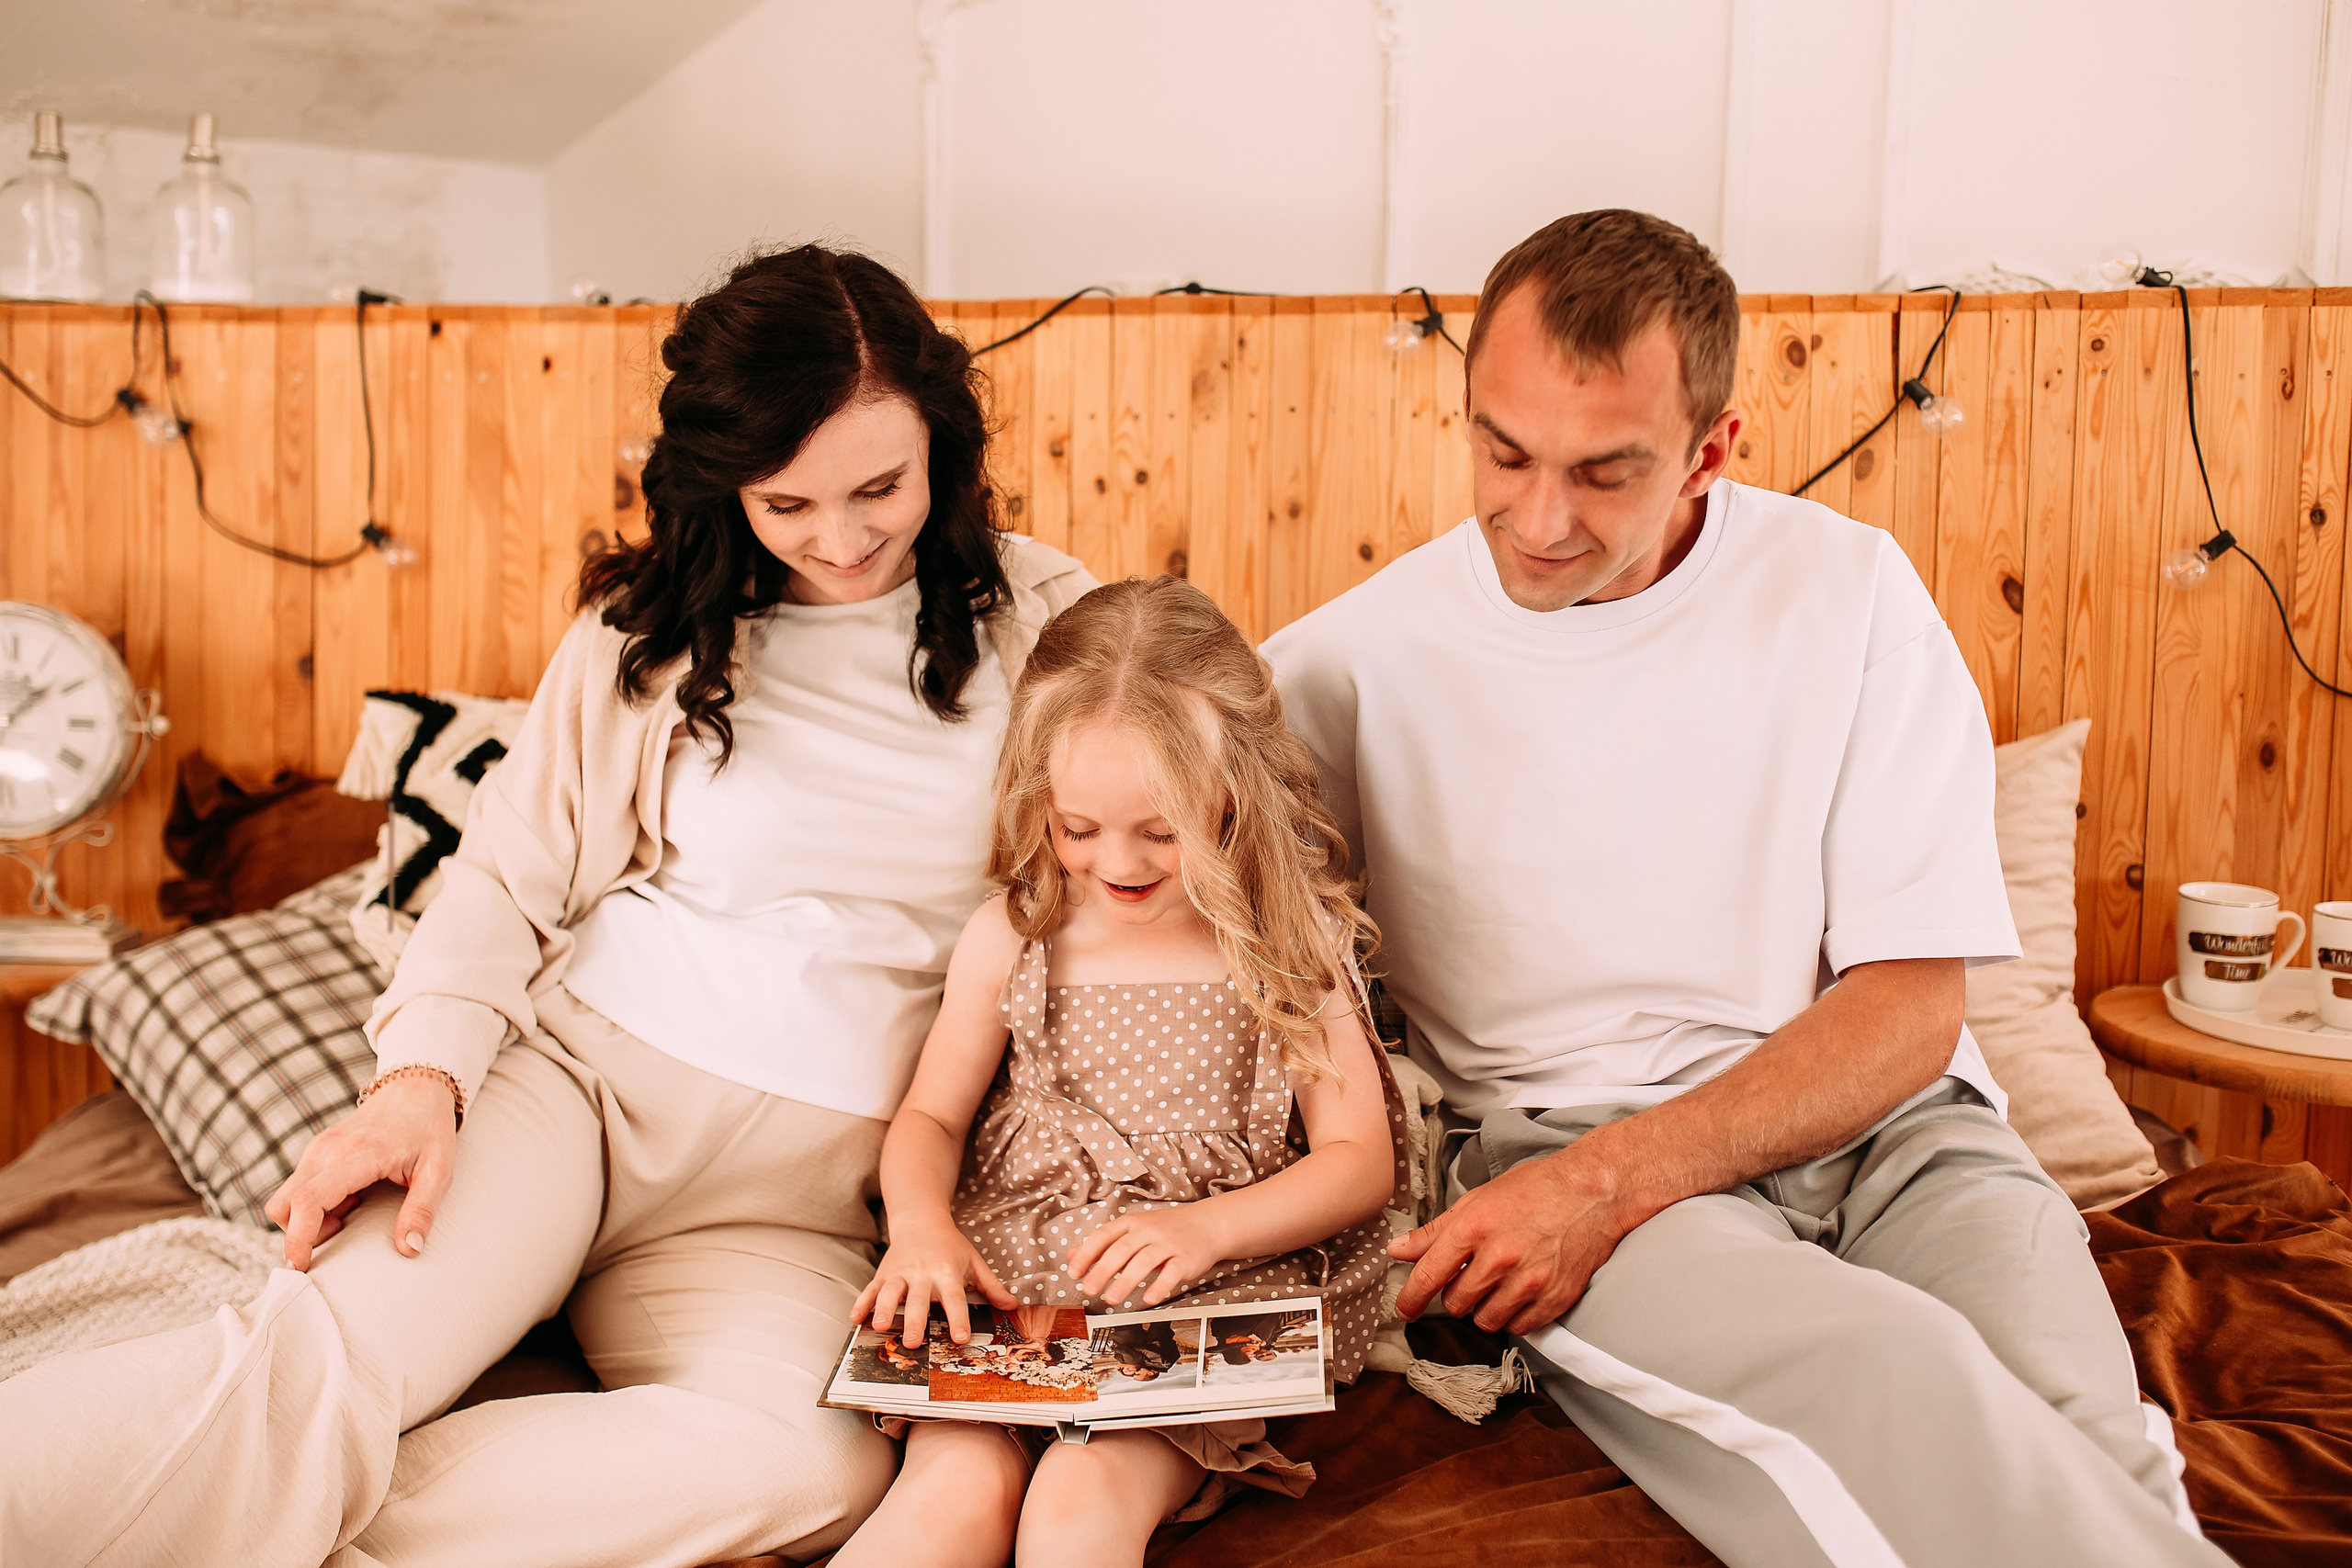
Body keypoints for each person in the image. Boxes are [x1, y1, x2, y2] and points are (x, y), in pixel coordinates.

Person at [0, 245, 1096, 1567]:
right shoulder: (653, 632)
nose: (843, 536)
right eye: (786, 501)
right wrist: (418, 1081)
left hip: (797, 1202)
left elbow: (1181, 842)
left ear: (943, 444)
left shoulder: (1055, 627)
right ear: (725, 485)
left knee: (807, 1458)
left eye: (880, 486)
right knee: (325, 1368)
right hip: (578, 1093)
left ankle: (296, 1536)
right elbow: (506, 877)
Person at [1261, 209, 2228, 1568]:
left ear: (1712, 447)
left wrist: (1608, 1183)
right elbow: (1131, 871)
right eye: (1504, 451)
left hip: (1892, 1130)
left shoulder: (1852, 595)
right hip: (1565, 1144)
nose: (1538, 519)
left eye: (1606, 472)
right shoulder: (1343, 664)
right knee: (1895, 1372)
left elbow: (1907, 1011)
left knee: (2089, 1431)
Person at [833, 577, 1409, 1568]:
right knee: (954, 1494)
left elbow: (1359, 1160)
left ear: (1239, 791)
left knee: (1075, 1504)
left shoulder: (1285, 940)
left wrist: (1203, 1229)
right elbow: (929, 1118)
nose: (1118, 863)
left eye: (1161, 829)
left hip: (1206, 1287)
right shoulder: (1012, 934)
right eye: (1077, 828)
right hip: (1016, 1280)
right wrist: (920, 1229)